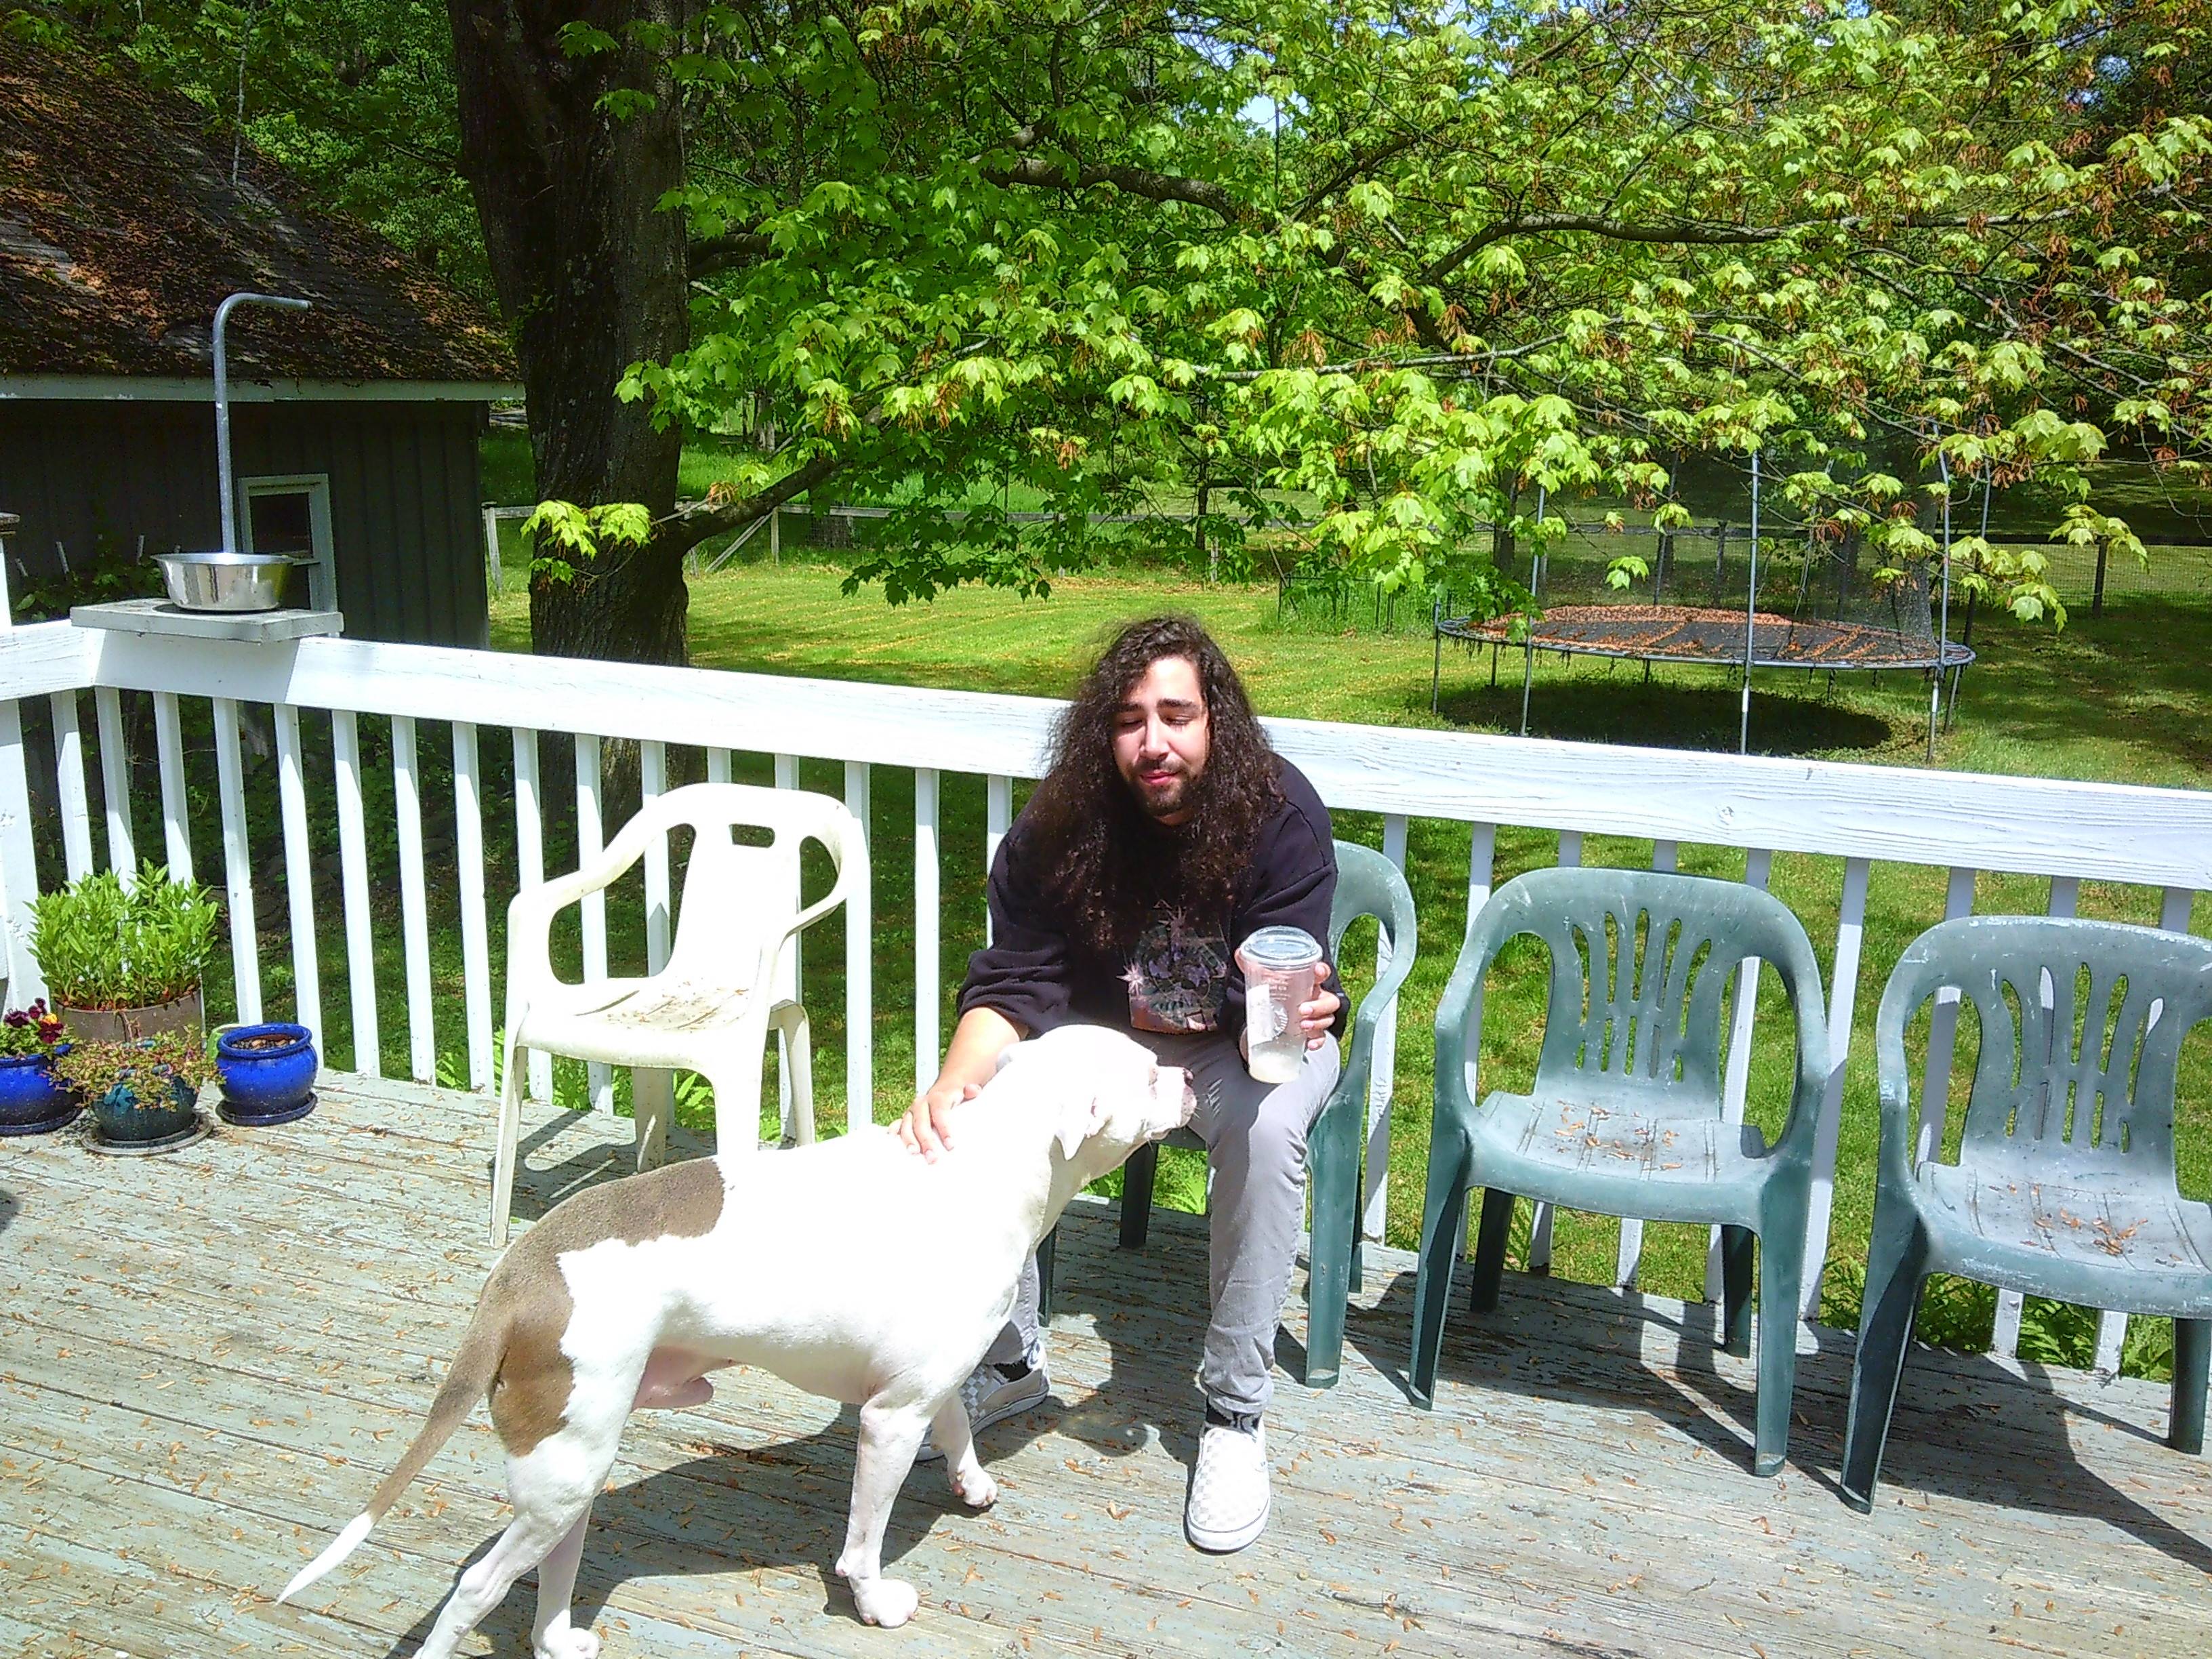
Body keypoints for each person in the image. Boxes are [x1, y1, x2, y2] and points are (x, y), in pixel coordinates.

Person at [897, 614, 1345, 1553]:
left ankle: (1233, 1414)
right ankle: (1011, 1359)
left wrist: (1305, 1004)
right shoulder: (1061, 826)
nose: (1154, 742)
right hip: (1103, 1044)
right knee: (991, 1095)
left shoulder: (1281, 817)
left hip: (1242, 1045)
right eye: (1131, 719)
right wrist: (952, 1082)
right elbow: (1014, 986)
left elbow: (1289, 982)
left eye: (1177, 715)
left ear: (1215, 722)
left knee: (1267, 1131)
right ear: (1104, 732)